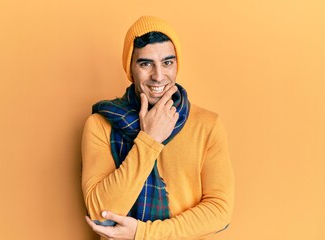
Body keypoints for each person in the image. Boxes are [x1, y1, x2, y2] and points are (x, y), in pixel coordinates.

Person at [82, 15, 234, 240]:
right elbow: (100, 212)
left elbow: (220, 211)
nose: (158, 76)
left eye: (167, 62)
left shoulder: (207, 125)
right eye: (146, 64)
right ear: (130, 69)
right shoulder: (100, 124)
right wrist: (149, 140)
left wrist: (143, 234)